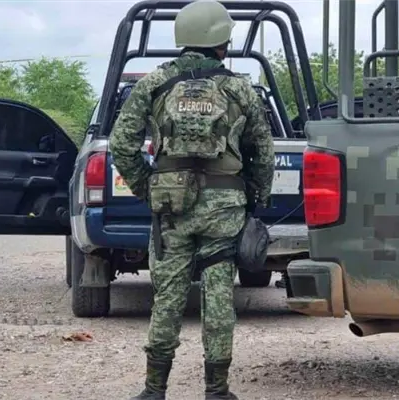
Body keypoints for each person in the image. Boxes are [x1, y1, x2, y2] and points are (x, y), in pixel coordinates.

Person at [108, 0, 275, 398]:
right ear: (221, 42)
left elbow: (121, 144)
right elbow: (263, 152)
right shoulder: (239, 87)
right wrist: (255, 197)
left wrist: (147, 186)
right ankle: (216, 391)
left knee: (167, 296)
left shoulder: (154, 82)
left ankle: (154, 390)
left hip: (171, 205)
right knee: (218, 297)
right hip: (224, 207)